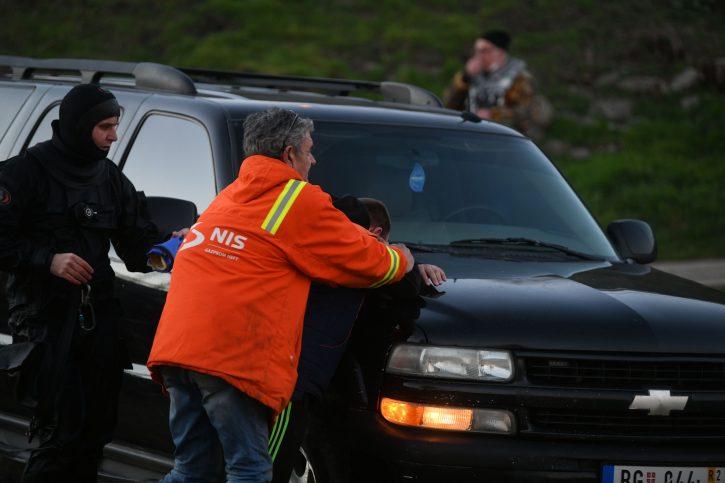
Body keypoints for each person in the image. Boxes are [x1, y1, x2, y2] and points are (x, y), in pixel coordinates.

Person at [146, 108, 415, 483]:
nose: (313, 159)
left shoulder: (228, 197)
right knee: (252, 471)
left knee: (194, 471)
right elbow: (369, 261)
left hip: (177, 353)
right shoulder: (296, 199)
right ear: (289, 154)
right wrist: (405, 258)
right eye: (309, 149)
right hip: (230, 360)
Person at [0, 84, 165, 482]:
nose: (114, 135)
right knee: (59, 437)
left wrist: (173, 247)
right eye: (105, 127)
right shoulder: (24, 173)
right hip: (47, 323)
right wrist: (48, 260)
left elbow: (137, 245)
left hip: (100, 322)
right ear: (79, 126)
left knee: (95, 435)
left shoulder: (108, 177)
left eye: (115, 126)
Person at [270, 197, 445, 483]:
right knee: (267, 469)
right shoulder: (354, 258)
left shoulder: (307, 246)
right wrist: (410, 261)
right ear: (376, 236)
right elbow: (402, 281)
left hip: (275, 372)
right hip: (291, 382)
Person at [443, 30, 551, 137]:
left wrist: (494, 114)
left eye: (484, 51)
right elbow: (449, 105)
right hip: (471, 133)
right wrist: (465, 78)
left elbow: (528, 111)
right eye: (476, 51)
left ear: (500, 53)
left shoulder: (520, 78)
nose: (478, 56)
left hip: (507, 136)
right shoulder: (470, 75)